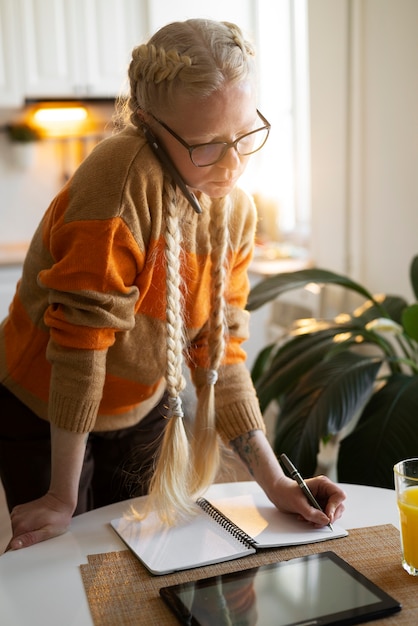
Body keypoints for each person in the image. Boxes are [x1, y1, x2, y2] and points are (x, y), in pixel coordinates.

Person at [0, 18, 345, 551]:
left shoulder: (234, 211)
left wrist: (276, 483)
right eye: (206, 144)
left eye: (244, 135)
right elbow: (79, 346)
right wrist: (59, 498)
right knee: (65, 560)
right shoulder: (116, 189)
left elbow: (220, 354)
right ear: (146, 123)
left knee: (140, 557)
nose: (232, 166)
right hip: (46, 406)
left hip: (143, 406)